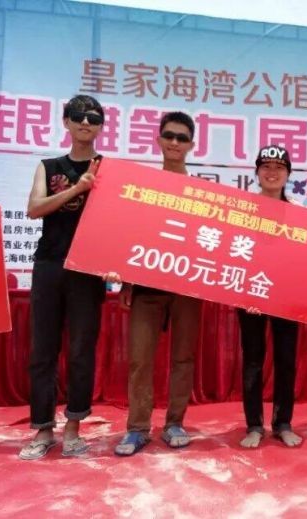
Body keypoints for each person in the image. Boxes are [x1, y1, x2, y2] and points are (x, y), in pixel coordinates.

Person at [19, 95, 107, 460]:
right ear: (66, 122)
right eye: (78, 116)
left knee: (82, 350)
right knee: (43, 350)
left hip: (89, 269)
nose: (85, 122)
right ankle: (43, 429)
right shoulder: (49, 166)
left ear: (101, 127)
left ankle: (73, 428)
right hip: (50, 265)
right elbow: (34, 208)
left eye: (93, 118)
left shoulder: (109, 169)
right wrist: (77, 189)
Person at [111, 111, 203, 456]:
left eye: (182, 138)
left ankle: (175, 422)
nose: (175, 142)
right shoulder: (144, 187)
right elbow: (133, 236)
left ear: (191, 145)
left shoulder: (202, 193)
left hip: (188, 288)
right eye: (169, 136)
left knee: (184, 358)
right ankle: (137, 428)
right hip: (146, 288)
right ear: (159, 140)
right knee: (139, 359)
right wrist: (126, 283)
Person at [238, 145, 302, 449]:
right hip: (251, 292)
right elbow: (234, 250)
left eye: (279, 167)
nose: (272, 172)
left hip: (287, 295)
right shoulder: (243, 208)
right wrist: (243, 290)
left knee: (286, 360)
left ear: (288, 173)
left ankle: (283, 423)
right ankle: (254, 425)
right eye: (266, 166)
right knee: (253, 360)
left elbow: (305, 257)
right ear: (257, 172)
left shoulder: (300, 212)